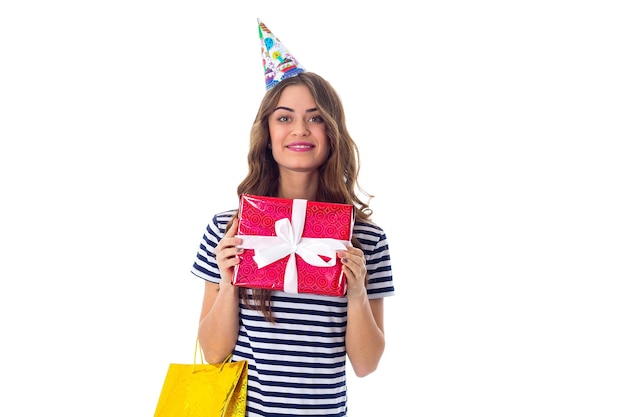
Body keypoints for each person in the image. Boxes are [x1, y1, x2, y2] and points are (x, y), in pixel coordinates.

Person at [190, 19, 395, 416]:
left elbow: (367, 365)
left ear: (333, 131)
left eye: (315, 117)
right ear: (267, 132)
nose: (300, 129)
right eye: (284, 117)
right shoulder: (227, 230)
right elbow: (214, 354)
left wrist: (356, 293)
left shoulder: (366, 239)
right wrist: (230, 280)